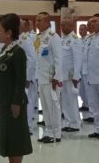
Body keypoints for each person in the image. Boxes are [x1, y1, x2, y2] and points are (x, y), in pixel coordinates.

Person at [0, 13, 33, 163]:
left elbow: (20, 80)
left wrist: (16, 102)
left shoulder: (18, 52)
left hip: (14, 102)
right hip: (4, 100)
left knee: (16, 138)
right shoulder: (4, 50)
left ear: (9, 33)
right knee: (8, 137)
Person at [35, 12, 63, 144]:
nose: (37, 23)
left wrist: (57, 77)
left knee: (53, 106)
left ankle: (56, 133)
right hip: (41, 77)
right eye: (36, 20)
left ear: (47, 22)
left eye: (40, 20)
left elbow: (59, 59)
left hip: (51, 78)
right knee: (45, 107)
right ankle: (48, 131)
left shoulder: (53, 37)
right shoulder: (39, 37)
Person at [59, 17, 83, 133]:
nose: (62, 27)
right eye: (61, 25)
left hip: (70, 76)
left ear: (71, 26)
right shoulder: (62, 39)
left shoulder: (75, 40)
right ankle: (67, 122)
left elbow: (78, 60)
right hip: (62, 75)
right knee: (65, 100)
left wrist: (76, 76)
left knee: (72, 100)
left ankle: (75, 123)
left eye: (64, 25)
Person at [19, 19, 38, 132]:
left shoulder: (26, 40)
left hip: (26, 77)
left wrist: (28, 77)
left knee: (28, 101)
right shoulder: (15, 40)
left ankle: (28, 125)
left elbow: (31, 59)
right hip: (18, 76)